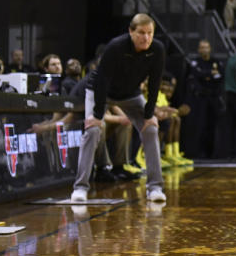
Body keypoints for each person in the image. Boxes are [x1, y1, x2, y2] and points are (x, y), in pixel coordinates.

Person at [71, 14, 167, 204]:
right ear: (131, 32)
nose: (146, 38)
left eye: (150, 33)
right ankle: (80, 188)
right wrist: (97, 115)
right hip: (101, 91)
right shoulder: (116, 47)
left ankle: (155, 188)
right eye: (141, 33)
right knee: (92, 130)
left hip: (131, 94)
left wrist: (149, 115)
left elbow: (155, 83)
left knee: (151, 129)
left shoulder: (157, 49)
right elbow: (102, 80)